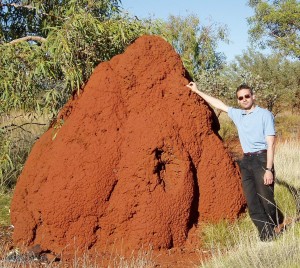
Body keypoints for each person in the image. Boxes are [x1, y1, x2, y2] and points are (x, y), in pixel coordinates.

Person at [186, 81, 285, 241]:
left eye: (247, 96)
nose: (244, 99)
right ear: (238, 100)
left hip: (261, 158)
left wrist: (268, 169)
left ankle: (274, 225)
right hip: (246, 161)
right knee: (252, 201)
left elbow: (271, 143)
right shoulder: (238, 115)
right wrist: (197, 91)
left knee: (266, 199)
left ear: (253, 96)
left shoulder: (264, 114)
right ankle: (266, 237)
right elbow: (219, 104)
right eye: (241, 98)